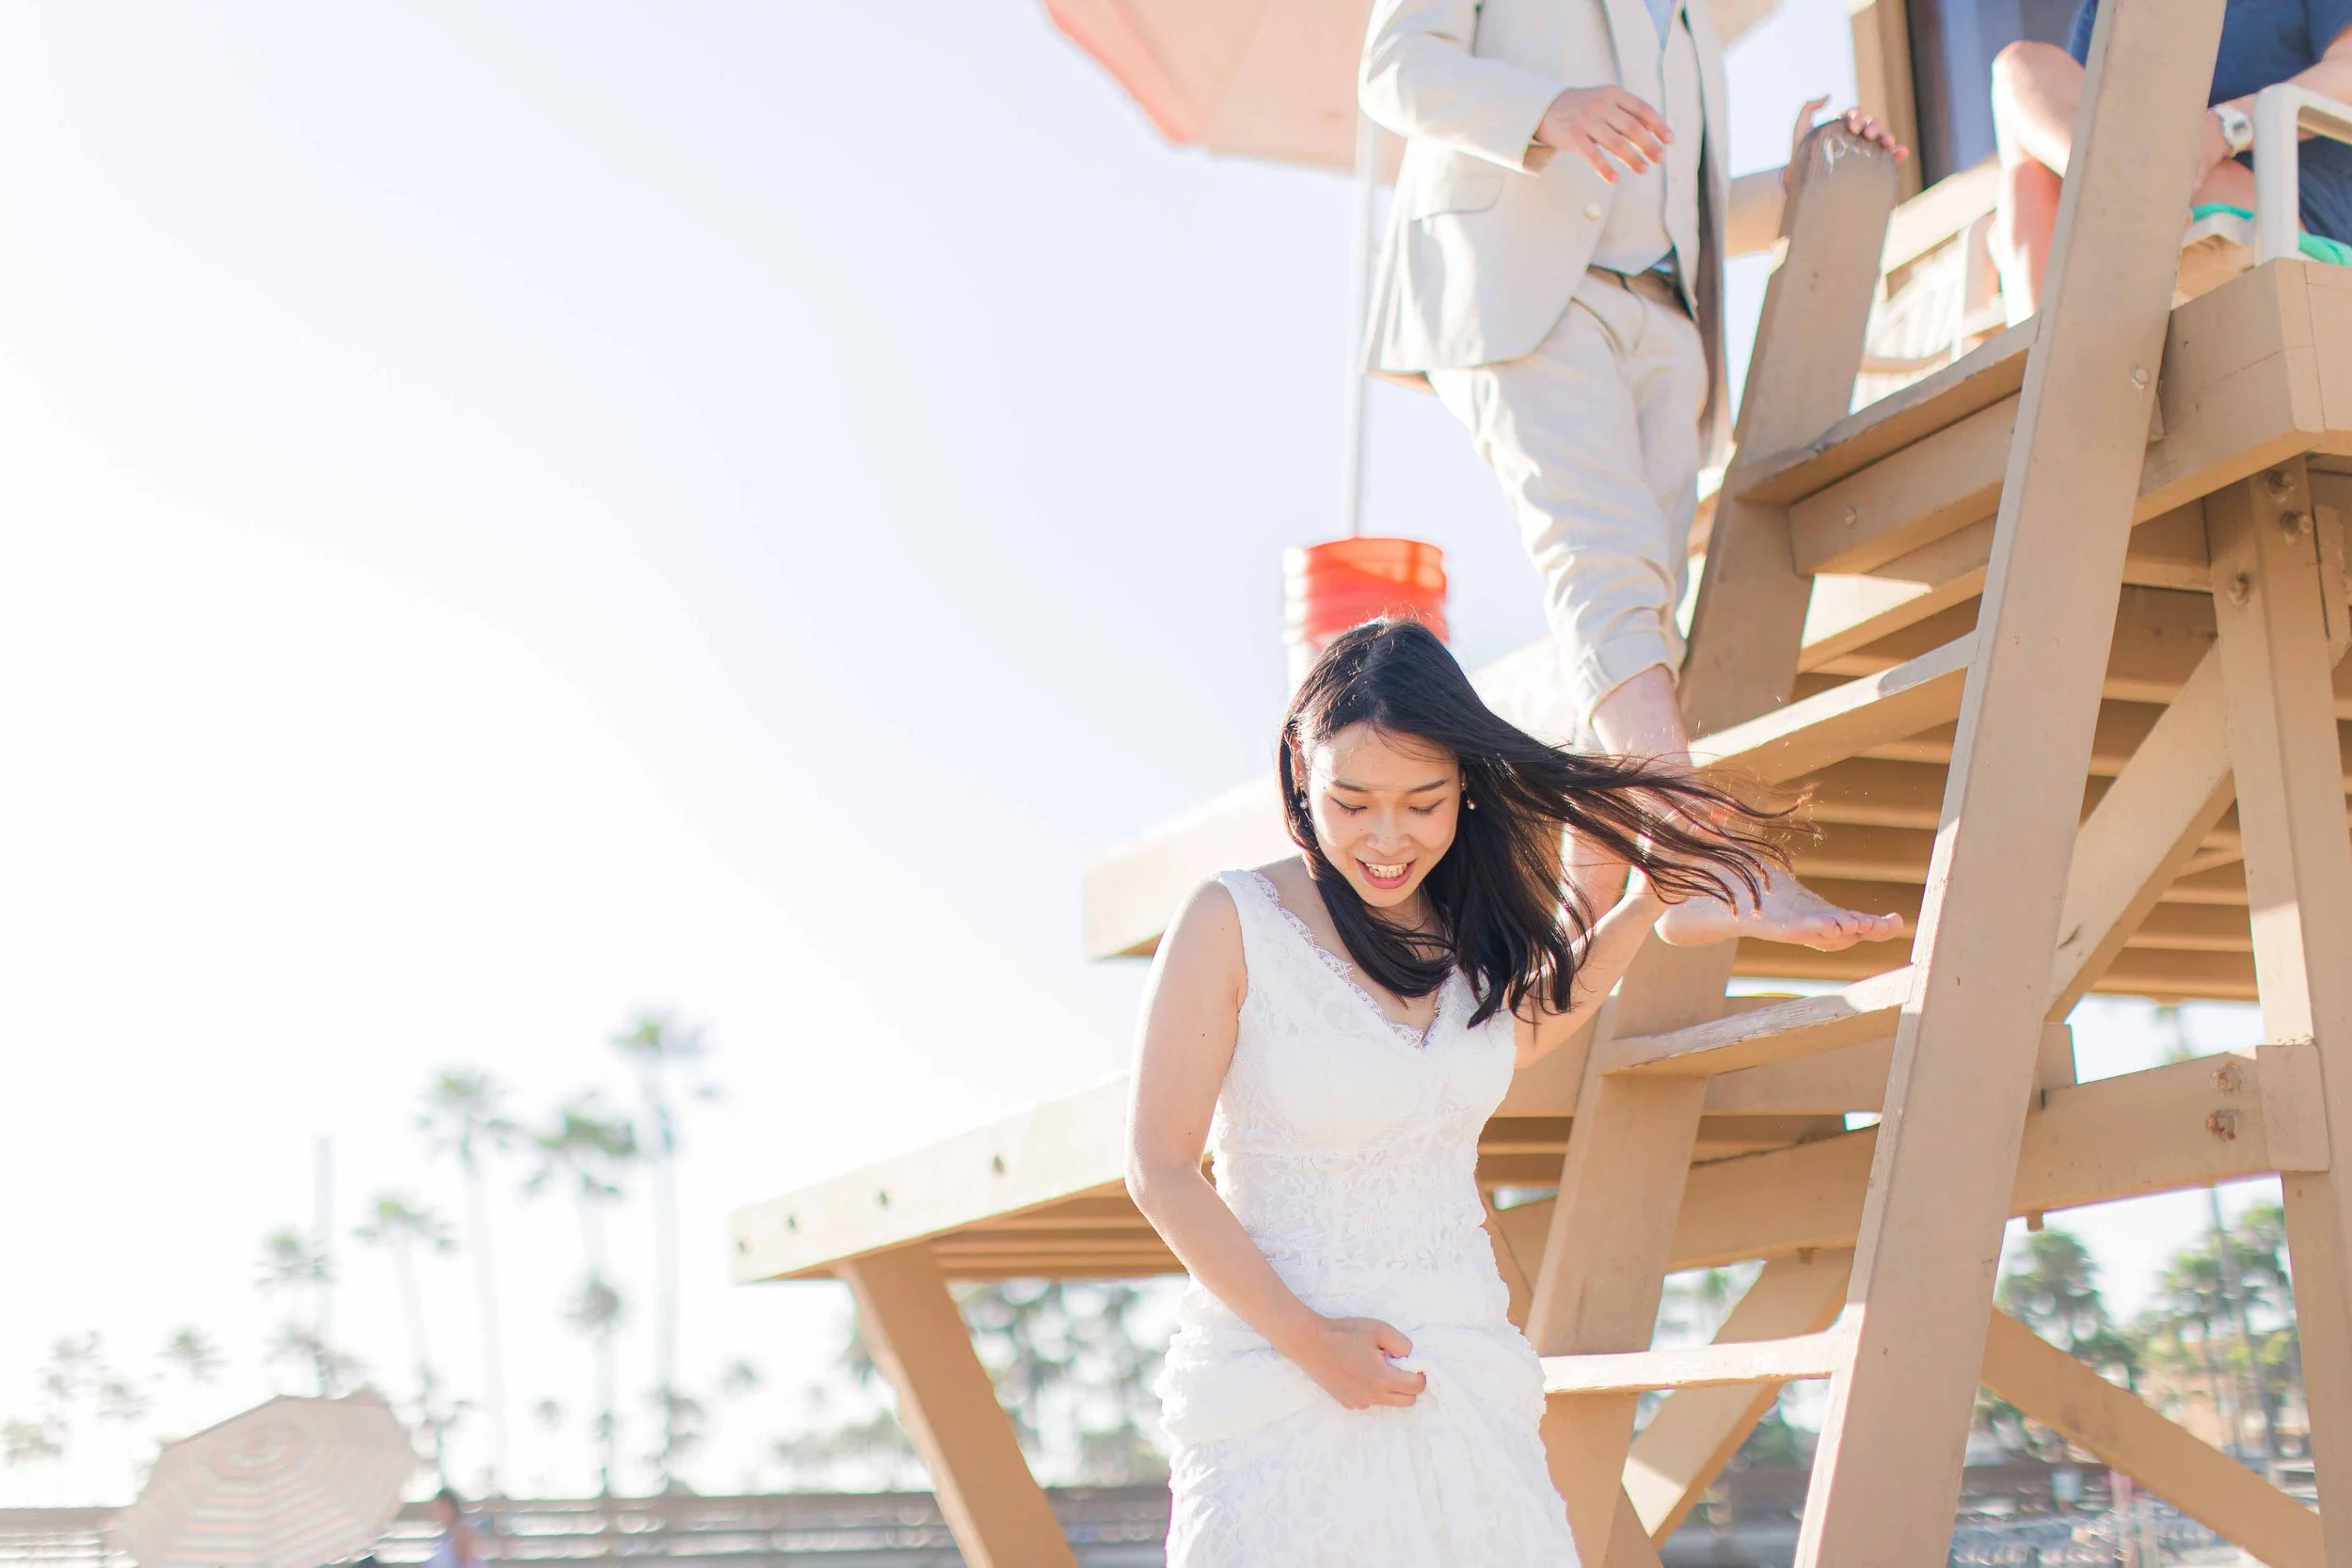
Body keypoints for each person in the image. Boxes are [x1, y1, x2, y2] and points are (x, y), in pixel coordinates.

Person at [1129, 619, 1794, 1564]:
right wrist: (1314, 1344)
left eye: (1423, 803)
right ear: (1300, 772)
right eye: (1352, 802)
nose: (1387, 836)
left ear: (1464, 789)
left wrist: (1644, 902)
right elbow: (1158, 1167)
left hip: (1460, 1373)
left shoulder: (1464, 923)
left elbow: (1519, 1026)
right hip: (1279, 1386)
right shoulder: (1231, 917)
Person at [1357, 0, 1908, 953]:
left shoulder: (1691, 24)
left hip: (1664, 326)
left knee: (1634, 621)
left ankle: (1570, 944)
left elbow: (1667, 204)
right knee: (1603, 567)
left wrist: (1796, 182)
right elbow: (1392, 66)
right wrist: (1549, 108)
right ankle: (1700, 857)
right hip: (1525, 296)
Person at [1992, 0, 2352, 322]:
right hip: (2144, 203)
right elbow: (2069, 130)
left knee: (2034, 203)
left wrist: (2225, 127)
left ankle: (2039, 351)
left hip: (2278, 203)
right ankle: (2137, 197)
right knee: (2020, 68)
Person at [421, 1489, 483, 1568]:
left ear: (450, 1507)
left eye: (439, 1508)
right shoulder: (448, 1535)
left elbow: (469, 1564)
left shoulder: (462, 1533)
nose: (436, 1514)